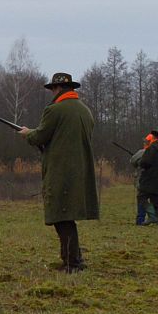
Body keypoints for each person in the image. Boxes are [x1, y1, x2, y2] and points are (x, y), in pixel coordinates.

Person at [18, 72, 98, 272]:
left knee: (61, 216)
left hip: (61, 171)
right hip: (80, 171)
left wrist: (28, 133)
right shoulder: (85, 111)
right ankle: (73, 259)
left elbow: (40, 136)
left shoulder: (54, 110)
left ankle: (73, 263)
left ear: (58, 88)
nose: (52, 93)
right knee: (66, 216)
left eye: (53, 89)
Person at [129, 129, 158, 226]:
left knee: (141, 196)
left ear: (154, 138)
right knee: (156, 198)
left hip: (149, 177)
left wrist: (140, 163)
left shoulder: (152, 148)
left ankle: (152, 216)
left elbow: (145, 162)